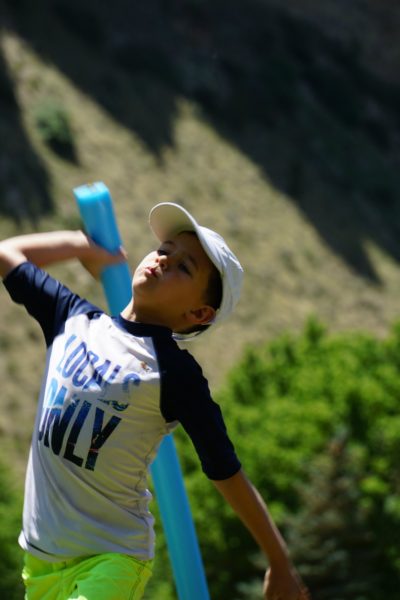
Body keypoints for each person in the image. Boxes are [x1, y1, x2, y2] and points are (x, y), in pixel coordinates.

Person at [0, 202, 310, 600]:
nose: (164, 260)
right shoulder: (72, 318)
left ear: (199, 312)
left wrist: (279, 562)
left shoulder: (175, 373)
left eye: (184, 267)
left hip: (111, 560)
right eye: (165, 248)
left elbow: (226, 471)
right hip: (40, 560)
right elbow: (8, 254)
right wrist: (82, 246)